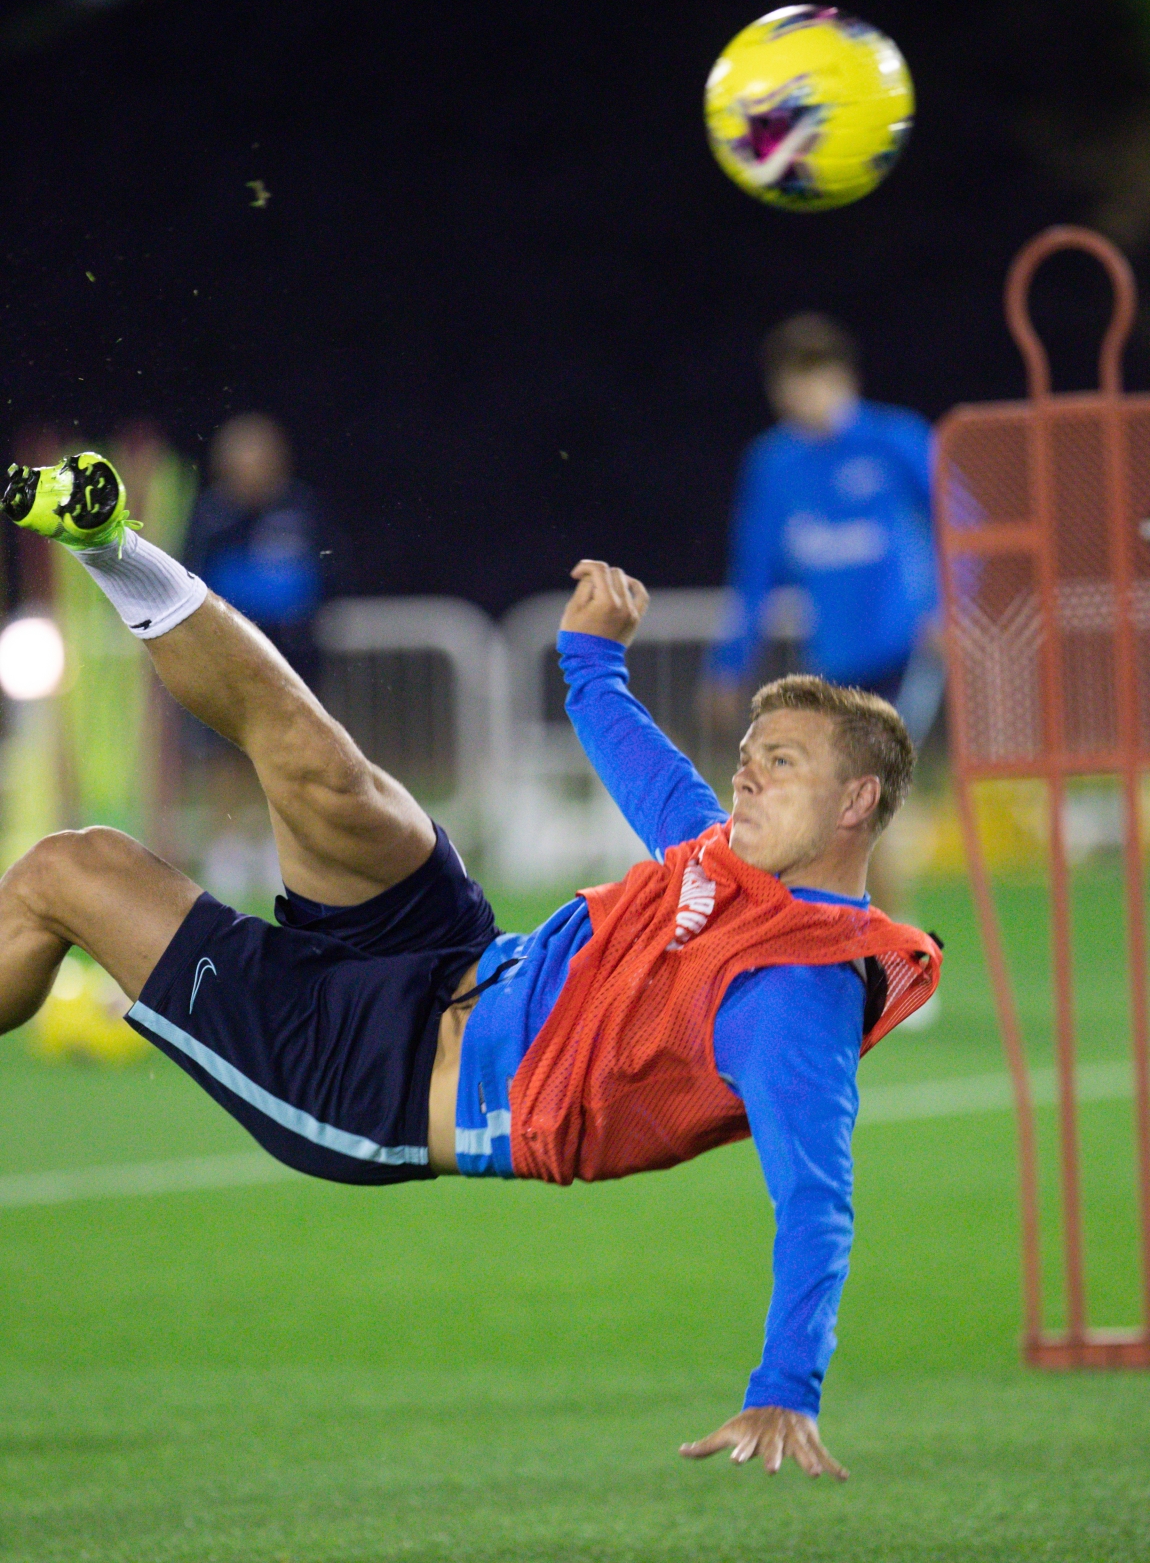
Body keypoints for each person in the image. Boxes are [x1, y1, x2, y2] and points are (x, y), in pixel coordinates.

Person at [0, 452, 941, 1482]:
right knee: (326, 770)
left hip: (370, 1081)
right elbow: (648, 766)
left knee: (69, 867)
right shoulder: (721, 858)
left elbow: (816, 1199)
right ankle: (105, 538)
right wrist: (590, 660)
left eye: (783, 764)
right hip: (444, 948)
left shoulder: (794, 993)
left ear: (855, 805)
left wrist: (785, 1383)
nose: (747, 774)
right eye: (750, 756)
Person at [706, 314, 943, 749]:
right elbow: (752, 574)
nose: (804, 397)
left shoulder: (898, 441)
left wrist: (949, 610)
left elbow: (966, 527)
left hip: (908, 651)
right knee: (843, 796)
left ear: (845, 378)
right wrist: (728, 667)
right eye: (790, 384)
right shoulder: (773, 465)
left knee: (879, 780)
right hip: (832, 661)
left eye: (814, 379)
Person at [184, 413, 324, 684]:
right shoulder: (212, 517)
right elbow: (190, 578)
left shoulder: (301, 507)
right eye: (242, 466)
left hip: (295, 656)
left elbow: (327, 573)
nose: (252, 474)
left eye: (260, 462)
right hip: (228, 658)